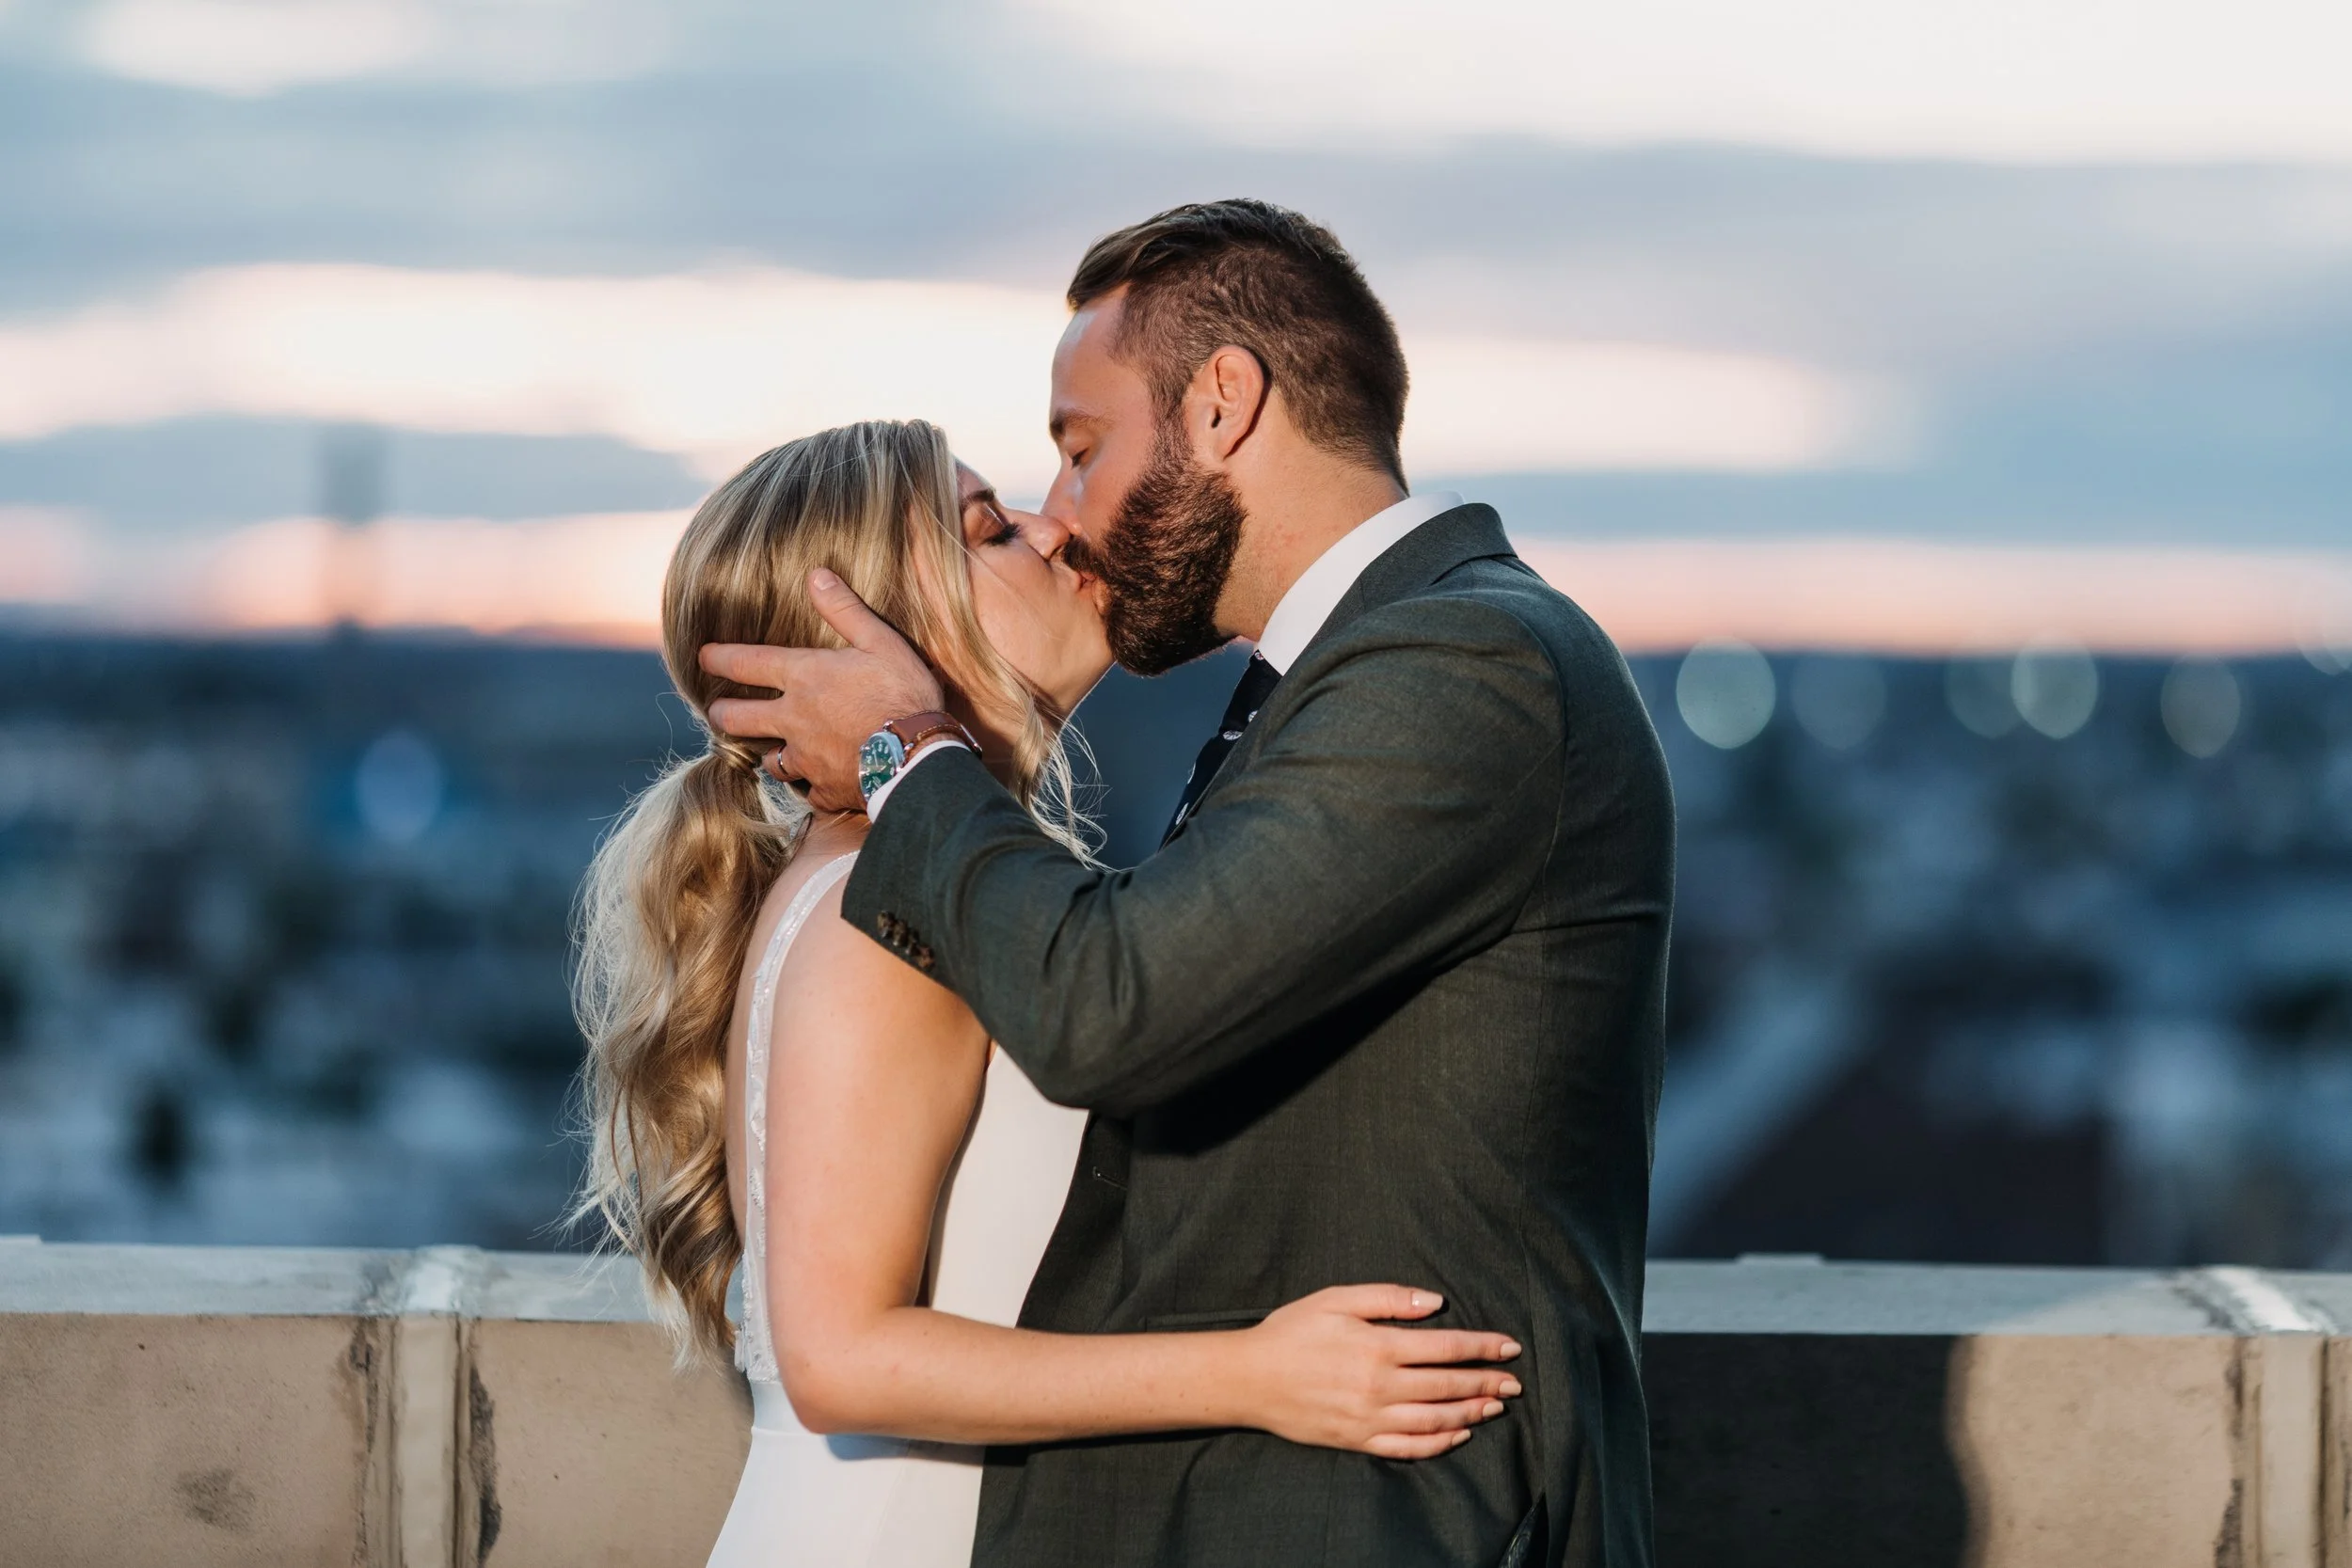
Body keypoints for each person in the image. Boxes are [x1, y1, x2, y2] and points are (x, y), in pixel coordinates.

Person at [704, 201, 1677, 1568]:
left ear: (1222, 402)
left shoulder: (1462, 664)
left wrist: (908, 747)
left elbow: (1117, 1001)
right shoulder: (1332, 686)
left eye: (1082, 447)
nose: (1063, 517)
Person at [572, 419, 1525, 1568]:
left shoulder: (902, 880)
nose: (1052, 525)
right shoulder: (879, 910)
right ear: (876, 627)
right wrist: (1258, 1371)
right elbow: (840, 1358)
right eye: (987, 527)